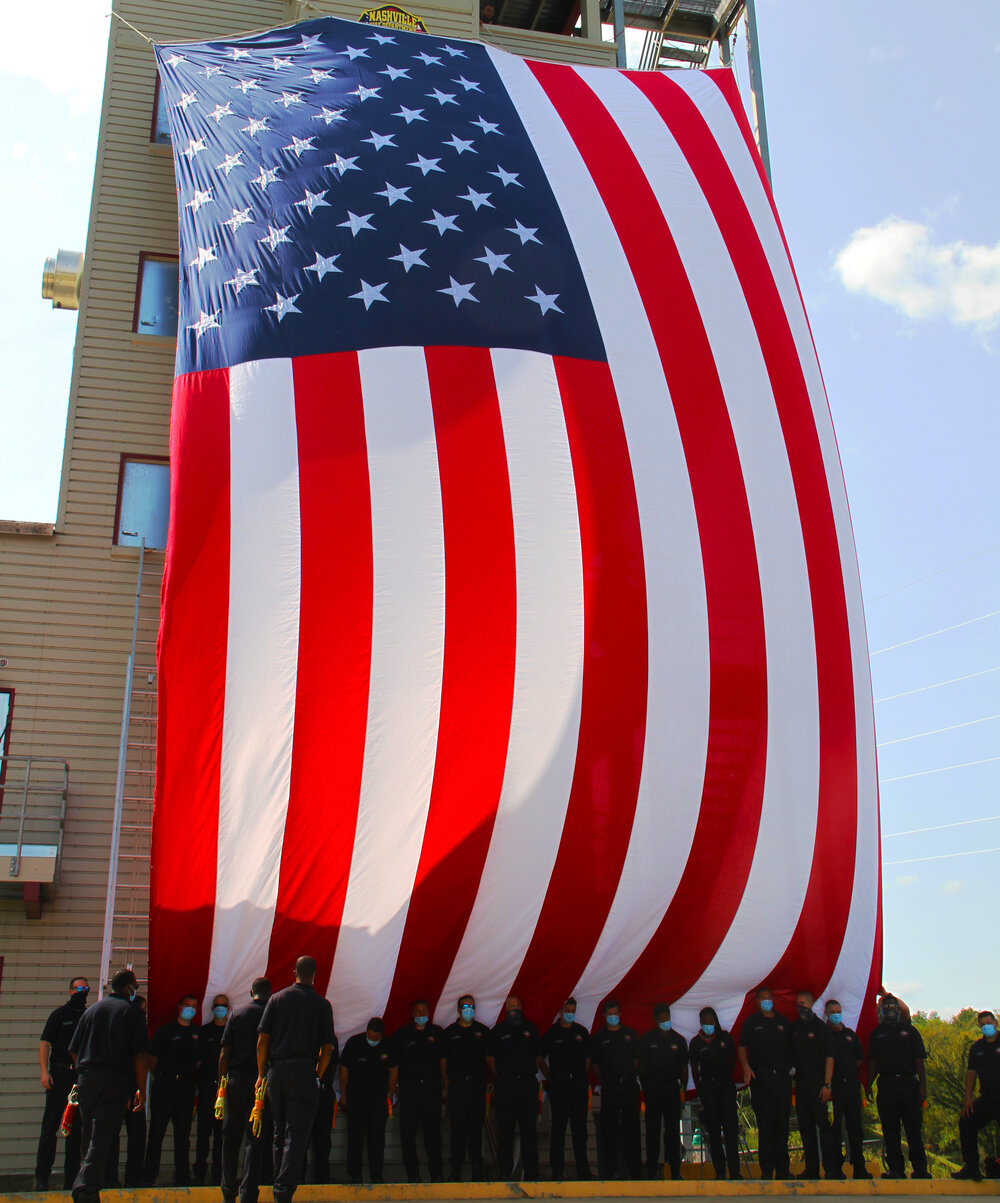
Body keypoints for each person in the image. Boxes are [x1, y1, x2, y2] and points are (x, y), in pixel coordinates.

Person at [256, 956, 335, 1203]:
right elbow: (328, 1047)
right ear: (315, 975)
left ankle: (279, 1184)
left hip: (276, 1071)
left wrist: (261, 1074)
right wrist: (317, 1075)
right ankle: (283, 1191)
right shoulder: (322, 1005)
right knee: (297, 1134)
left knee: (279, 1133)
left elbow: (262, 1040)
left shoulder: (277, 999)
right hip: (303, 1071)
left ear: (294, 972)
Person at [68, 969, 149, 1203]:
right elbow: (140, 1056)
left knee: (89, 1136)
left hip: (86, 1078)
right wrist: (142, 1091)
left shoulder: (91, 1010)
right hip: (113, 1079)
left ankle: (89, 1191)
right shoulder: (131, 1012)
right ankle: (84, 1190)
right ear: (129, 987)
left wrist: (84, 1073)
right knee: (102, 1136)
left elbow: (73, 1050)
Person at [220, 977, 272, 1203]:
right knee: (255, 1139)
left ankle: (227, 1190)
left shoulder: (237, 1014)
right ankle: (248, 1193)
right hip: (262, 1082)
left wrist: (221, 1086)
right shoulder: (274, 1016)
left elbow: (224, 1053)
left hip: (236, 1080)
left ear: (251, 992)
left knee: (230, 1137)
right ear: (269, 995)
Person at [866, 993, 929, 1179]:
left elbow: (919, 1060)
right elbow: (873, 1062)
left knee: (913, 1129)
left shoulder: (910, 1031)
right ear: (882, 1011)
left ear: (898, 1009)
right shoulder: (877, 1033)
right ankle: (895, 1169)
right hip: (886, 1085)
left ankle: (920, 1169)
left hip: (908, 1084)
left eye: (893, 1006)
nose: (890, 1009)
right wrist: (868, 1084)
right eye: (886, 1006)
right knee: (890, 1129)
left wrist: (923, 1086)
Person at [35, 977, 90, 1190]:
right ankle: (42, 1178)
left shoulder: (88, 1016)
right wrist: (43, 1072)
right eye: (78, 988)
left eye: (85, 988)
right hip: (58, 1075)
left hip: (79, 1078)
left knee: (75, 1130)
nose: (82, 991)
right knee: (50, 1128)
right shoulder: (59, 1015)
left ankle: (71, 1180)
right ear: (70, 991)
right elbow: (45, 1043)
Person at [142, 993, 202, 1185]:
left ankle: (182, 1177)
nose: (190, 1009)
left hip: (186, 1087)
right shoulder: (165, 1031)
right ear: (179, 1007)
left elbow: (199, 1061)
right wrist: (161, 1073)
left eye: (194, 1006)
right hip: (164, 1085)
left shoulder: (197, 1033)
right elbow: (151, 1058)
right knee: (156, 1132)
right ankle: (149, 1175)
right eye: (187, 1005)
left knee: (183, 1135)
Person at [488, 995, 545, 1180]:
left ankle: (531, 1172)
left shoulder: (531, 1028)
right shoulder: (498, 1030)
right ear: (506, 1009)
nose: (515, 1009)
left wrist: (527, 1069)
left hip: (527, 1083)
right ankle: (505, 1171)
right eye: (512, 1006)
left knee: (529, 1129)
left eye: (518, 1005)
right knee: (505, 1130)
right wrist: (501, 1076)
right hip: (506, 1084)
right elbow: (490, 1057)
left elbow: (539, 1054)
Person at [738, 987, 793, 1179]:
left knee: (782, 1125)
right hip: (761, 1079)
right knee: (766, 1125)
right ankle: (767, 1170)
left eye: (769, 998)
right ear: (757, 1002)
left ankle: (783, 1169)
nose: (767, 1001)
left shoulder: (783, 1022)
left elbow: (792, 1048)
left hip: (782, 1079)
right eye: (763, 999)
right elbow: (742, 1047)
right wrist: (746, 1066)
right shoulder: (752, 1023)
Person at [339, 1017, 397, 1183]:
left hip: (378, 1098)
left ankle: (376, 1175)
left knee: (377, 1138)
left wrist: (390, 1096)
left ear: (381, 1035)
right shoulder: (354, 1043)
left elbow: (394, 1071)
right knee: (355, 1136)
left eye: (375, 1038)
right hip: (356, 1097)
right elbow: (344, 1070)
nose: (371, 1040)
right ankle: (355, 1174)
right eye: (369, 1036)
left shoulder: (388, 1045)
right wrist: (343, 1095)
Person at [393, 999, 444, 1183]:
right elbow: (395, 1065)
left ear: (429, 1013)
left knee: (433, 1134)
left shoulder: (437, 1033)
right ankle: (413, 1175)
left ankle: (437, 1174)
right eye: (417, 1012)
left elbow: (443, 1062)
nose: (421, 1015)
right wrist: (396, 1086)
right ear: (412, 1014)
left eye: (424, 1012)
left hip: (431, 1089)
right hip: (409, 1089)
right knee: (408, 1134)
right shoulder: (402, 1035)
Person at [440, 993, 490, 1181]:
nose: (469, 1010)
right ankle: (456, 1168)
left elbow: (489, 1058)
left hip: (477, 1085)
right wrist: (446, 1081)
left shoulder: (482, 1031)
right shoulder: (450, 1032)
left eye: (472, 1007)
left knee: (476, 1127)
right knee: (457, 1127)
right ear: (459, 1010)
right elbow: (443, 1060)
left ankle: (477, 1166)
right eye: (465, 1007)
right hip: (457, 1085)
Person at [542, 997, 592, 1181]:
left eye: (573, 1010)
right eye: (567, 1009)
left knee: (580, 1130)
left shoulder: (581, 1032)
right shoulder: (551, 1033)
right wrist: (551, 1078)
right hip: (559, 1085)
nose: (570, 1013)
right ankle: (557, 1172)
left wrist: (579, 1076)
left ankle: (583, 1171)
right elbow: (540, 1060)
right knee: (558, 1129)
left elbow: (588, 1059)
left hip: (578, 1085)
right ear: (560, 1011)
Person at [688, 1007, 742, 1181]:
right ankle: (720, 1171)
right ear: (700, 1023)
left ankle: (735, 1171)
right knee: (713, 1132)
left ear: (716, 1021)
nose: (708, 1025)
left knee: (731, 1130)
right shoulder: (696, 1043)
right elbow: (694, 1069)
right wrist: (700, 1088)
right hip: (708, 1089)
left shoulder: (725, 1038)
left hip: (725, 1087)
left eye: (711, 1022)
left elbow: (733, 1060)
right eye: (705, 1022)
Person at [591, 998, 641, 1179]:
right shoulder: (599, 1037)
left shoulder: (630, 1034)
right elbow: (595, 1065)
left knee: (632, 1128)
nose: (613, 1017)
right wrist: (606, 1080)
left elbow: (637, 1059)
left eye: (615, 1013)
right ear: (604, 1015)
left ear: (620, 1014)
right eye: (609, 1014)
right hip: (610, 1086)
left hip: (628, 1084)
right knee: (609, 1129)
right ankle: (610, 1171)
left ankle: (634, 1171)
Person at [638, 1003, 688, 1180]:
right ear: (656, 1020)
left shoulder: (679, 1040)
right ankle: (652, 1172)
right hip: (653, 1089)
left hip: (672, 1089)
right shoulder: (647, 1040)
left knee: (673, 1131)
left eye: (667, 1018)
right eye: (662, 1019)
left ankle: (675, 1171)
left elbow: (684, 1068)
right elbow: (641, 1066)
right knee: (652, 1131)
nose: (665, 1021)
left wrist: (683, 1088)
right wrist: (647, 1086)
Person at [105, 993, 149, 1189]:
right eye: (142, 1011)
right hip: (121, 1086)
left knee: (138, 1135)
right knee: (111, 1136)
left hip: (133, 1087)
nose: (144, 1015)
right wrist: (139, 1090)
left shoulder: (140, 1033)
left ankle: (133, 1178)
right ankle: (109, 1178)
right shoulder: (119, 1032)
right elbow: (138, 1059)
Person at [790, 990, 835, 1179]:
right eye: (798, 1003)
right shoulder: (794, 1028)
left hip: (819, 1082)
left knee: (825, 1128)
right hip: (801, 1082)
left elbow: (829, 1058)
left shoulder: (821, 1028)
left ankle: (832, 1170)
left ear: (811, 1004)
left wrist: (827, 1084)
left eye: (804, 1003)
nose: (801, 1006)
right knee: (806, 1128)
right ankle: (812, 1170)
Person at [823, 999, 870, 1180]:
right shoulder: (825, 1035)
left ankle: (859, 1167)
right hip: (834, 1088)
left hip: (851, 1086)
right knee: (835, 1129)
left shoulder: (850, 1035)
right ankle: (835, 1169)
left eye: (838, 1011)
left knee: (855, 1128)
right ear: (826, 1013)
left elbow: (859, 1059)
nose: (836, 1014)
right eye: (833, 1011)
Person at [952, 1010, 1000, 1182]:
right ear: (980, 1027)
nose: (987, 1027)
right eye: (983, 1025)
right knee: (966, 1121)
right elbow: (971, 1074)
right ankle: (971, 1167)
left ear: (996, 1023)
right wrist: (967, 1100)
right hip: (988, 1098)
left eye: (989, 1023)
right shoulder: (977, 1048)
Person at [194, 993, 229, 1185]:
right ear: (212, 1008)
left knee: (221, 1135)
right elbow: (197, 1061)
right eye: (217, 1005)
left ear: (229, 1008)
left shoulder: (232, 1031)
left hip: (225, 1089)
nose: (220, 1008)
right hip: (206, 1087)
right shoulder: (204, 1032)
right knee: (203, 1133)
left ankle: (219, 1176)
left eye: (223, 1005)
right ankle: (199, 1174)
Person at [308, 1055, 339, 1185]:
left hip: (325, 1092)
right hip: (306, 1091)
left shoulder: (332, 1041)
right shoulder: (307, 1037)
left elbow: (333, 1067)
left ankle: (323, 1177)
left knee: (323, 1138)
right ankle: (297, 1176)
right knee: (301, 1137)